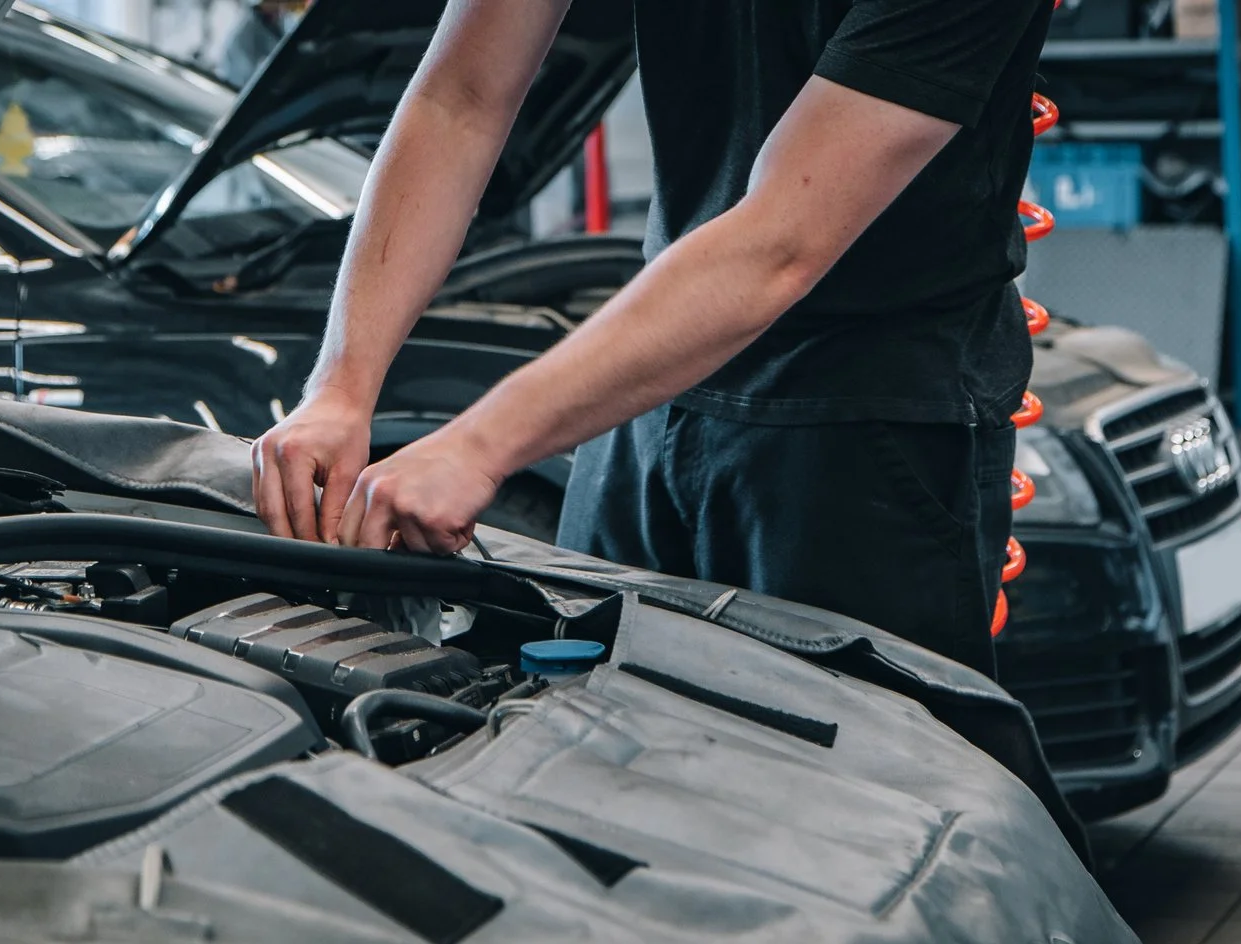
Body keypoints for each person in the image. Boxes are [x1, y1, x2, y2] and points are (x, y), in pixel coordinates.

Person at [248, 0, 1052, 679]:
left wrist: (475, 447)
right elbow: (460, 97)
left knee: (857, 825)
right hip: (652, 387)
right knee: (593, 760)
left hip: (866, 424)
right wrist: (342, 386)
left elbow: (782, 240)